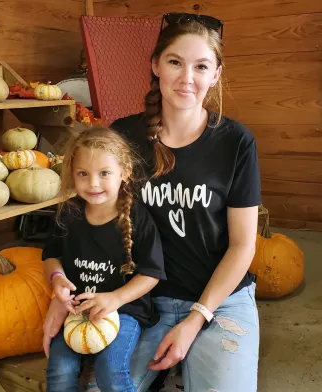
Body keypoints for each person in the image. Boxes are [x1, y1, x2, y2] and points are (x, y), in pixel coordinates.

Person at [43, 11, 261, 392]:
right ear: (156, 65)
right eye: (175, 62)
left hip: (219, 300)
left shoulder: (236, 142)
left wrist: (196, 319)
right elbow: (82, 226)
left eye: (201, 66)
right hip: (138, 302)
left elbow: (243, 246)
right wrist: (59, 294)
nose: (187, 78)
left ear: (216, 74)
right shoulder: (121, 137)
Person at [42, 125, 166, 392]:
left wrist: (115, 298)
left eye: (104, 173)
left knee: (110, 368)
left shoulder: (137, 217)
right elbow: (51, 254)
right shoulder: (69, 212)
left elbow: (152, 273)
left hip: (124, 310)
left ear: (125, 172)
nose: (93, 183)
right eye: (83, 174)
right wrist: (57, 278)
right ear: (72, 174)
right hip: (77, 310)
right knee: (59, 369)